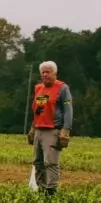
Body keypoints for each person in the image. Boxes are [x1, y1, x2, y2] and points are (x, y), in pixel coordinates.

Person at [27, 61, 73, 195]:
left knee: (50, 162)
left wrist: (66, 129)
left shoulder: (62, 88)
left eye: (48, 72)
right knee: (38, 162)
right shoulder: (38, 88)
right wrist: (32, 127)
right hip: (38, 129)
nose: (45, 74)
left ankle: (51, 191)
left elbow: (68, 110)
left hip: (52, 130)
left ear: (55, 73)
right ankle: (41, 189)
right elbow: (37, 110)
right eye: (43, 72)